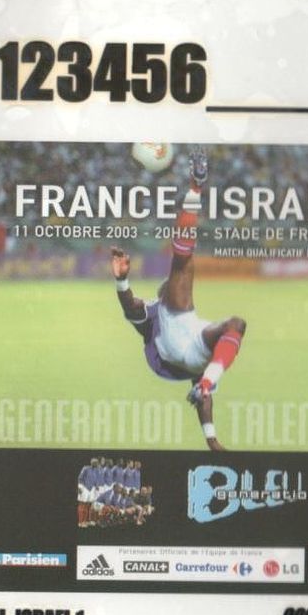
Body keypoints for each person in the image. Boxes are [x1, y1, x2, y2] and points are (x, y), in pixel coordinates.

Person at [110, 147, 246, 452]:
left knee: (236, 325)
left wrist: (211, 439)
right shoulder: (153, 314)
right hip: (173, 342)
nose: (167, 287)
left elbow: (202, 397)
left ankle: (208, 382)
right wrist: (122, 280)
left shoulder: (172, 313)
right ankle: (196, 187)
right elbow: (130, 307)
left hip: (191, 349)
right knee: (182, 262)